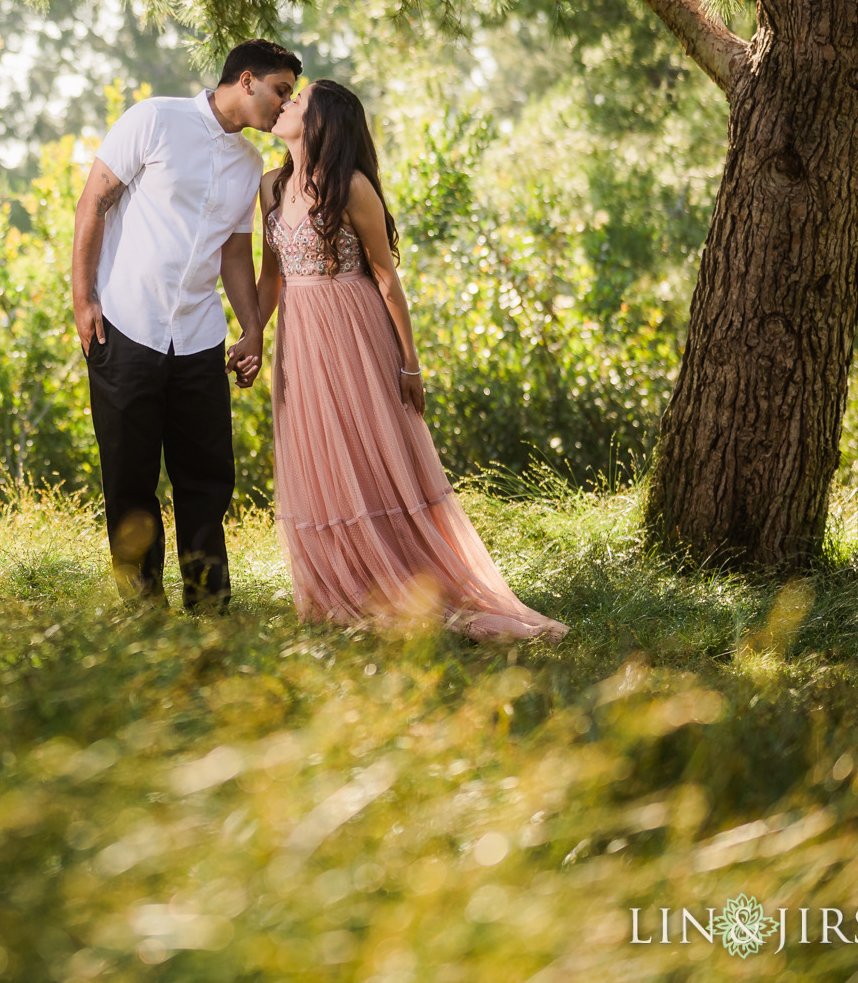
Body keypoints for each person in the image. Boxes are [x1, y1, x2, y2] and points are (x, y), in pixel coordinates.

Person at [242, 78, 569, 642]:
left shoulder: (351, 186)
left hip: (354, 327)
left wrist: (409, 363)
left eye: (297, 100)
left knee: (368, 446)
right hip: (301, 333)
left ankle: (404, 578)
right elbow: (270, 278)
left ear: (322, 121)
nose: (284, 104)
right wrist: (252, 335)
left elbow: (387, 279)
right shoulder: (270, 186)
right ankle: (338, 584)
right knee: (317, 445)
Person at [70, 39, 302, 612]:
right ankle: (142, 611)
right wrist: (83, 300)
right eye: (280, 91)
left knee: (207, 481)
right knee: (129, 479)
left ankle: (210, 608)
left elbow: (233, 255)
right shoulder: (154, 119)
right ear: (245, 81)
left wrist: (252, 329)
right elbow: (93, 203)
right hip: (125, 326)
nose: (283, 106)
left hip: (200, 339)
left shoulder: (249, 165)